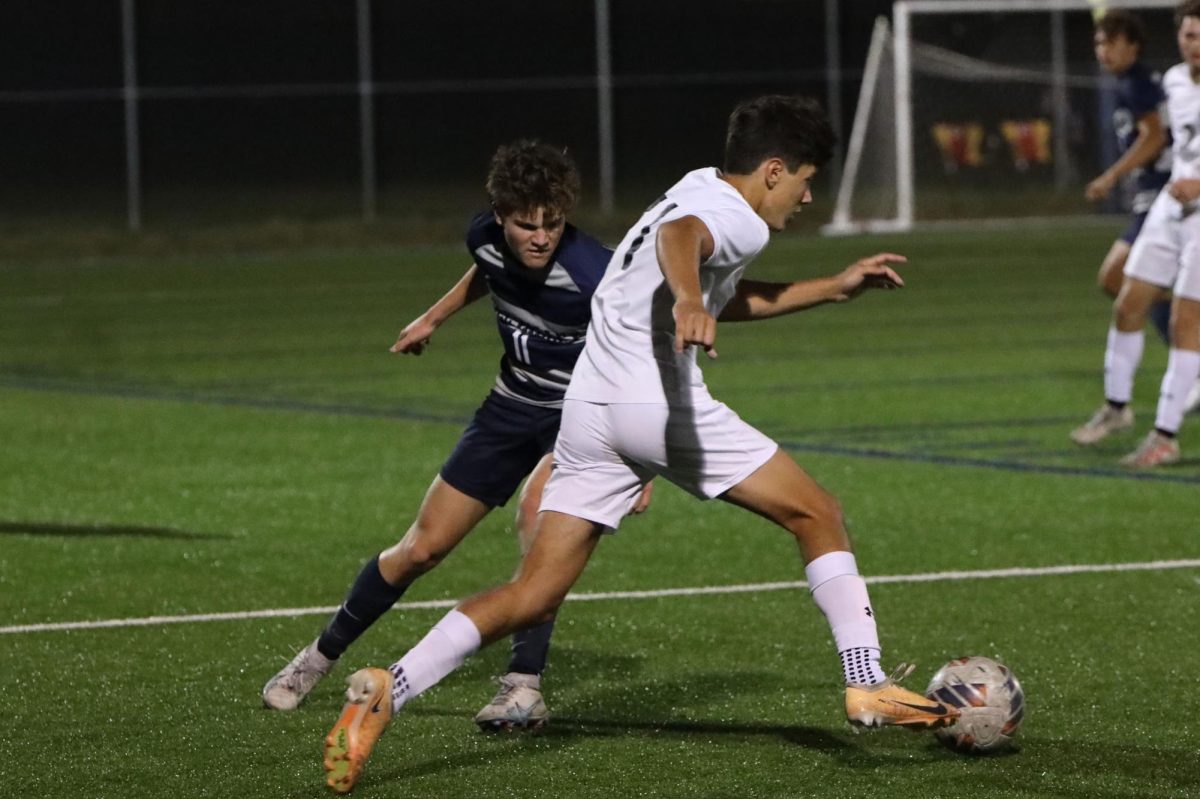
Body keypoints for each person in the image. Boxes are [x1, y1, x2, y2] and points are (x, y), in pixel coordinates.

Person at [319, 95, 957, 795]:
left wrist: (832, 287)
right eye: (805, 179)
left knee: (532, 592)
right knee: (818, 513)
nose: (808, 196)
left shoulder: (698, 183)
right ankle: (865, 682)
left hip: (590, 408)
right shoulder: (732, 218)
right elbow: (682, 242)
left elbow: (718, 286)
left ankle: (391, 686)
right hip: (654, 402)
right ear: (773, 171)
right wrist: (687, 298)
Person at [262, 139, 652, 729]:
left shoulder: (593, 273)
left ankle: (523, 686)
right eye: (526, 225)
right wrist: (433, 317)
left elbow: (650, 351)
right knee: (422, 547)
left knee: (536, 524)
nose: (541, 237)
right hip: (509, 409)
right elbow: (489, 271)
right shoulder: (484, 238)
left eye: (553, 223)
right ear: (500, 218)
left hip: (582, 419)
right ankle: (316, 659)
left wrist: (644, 462)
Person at [1070, 0, 1200, 466]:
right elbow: (1171, 144)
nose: (1195, 45)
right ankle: (1117, 407)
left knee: (1188, 323)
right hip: (1170, 206)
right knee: (1126, 299)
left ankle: (1165, 436)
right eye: (1188, 35)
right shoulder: (1173, 82)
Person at [1086, 9, 1172, 341]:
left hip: (1165, 198)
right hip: (1152, 198)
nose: (1103, 50)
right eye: (1098, 43)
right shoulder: (1134, 82)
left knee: (1114, 277)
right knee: (1117, 281)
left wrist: (1110, 177)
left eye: (1111, 42)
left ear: (1133, 46)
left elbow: (1154, 137)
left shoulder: (1138, 84)